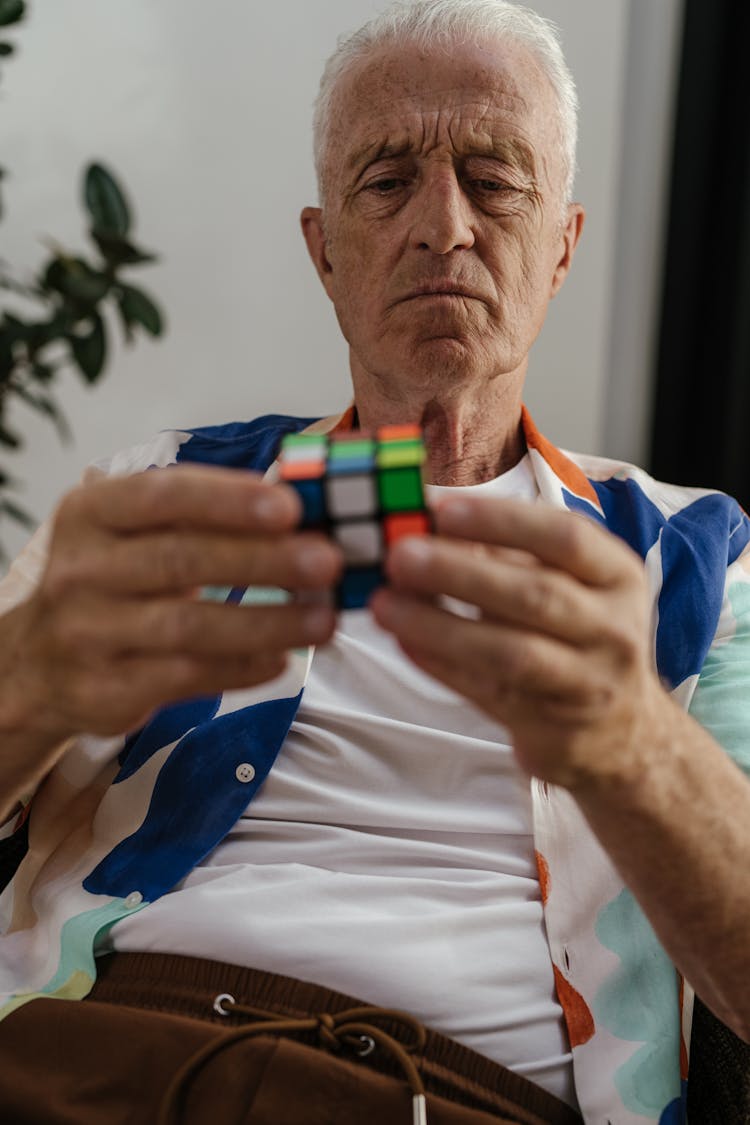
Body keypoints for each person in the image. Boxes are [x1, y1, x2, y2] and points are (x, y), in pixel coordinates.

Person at [0, 1, 748, 1122]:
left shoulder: (696, 554)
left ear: (563, 246)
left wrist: (630, 745)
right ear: (326, 250)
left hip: (466, 1097)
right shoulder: (161, 493)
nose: (442, 226)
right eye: (388, 180)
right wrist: (34, 686)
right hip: (108, 1060)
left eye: (494, 180)